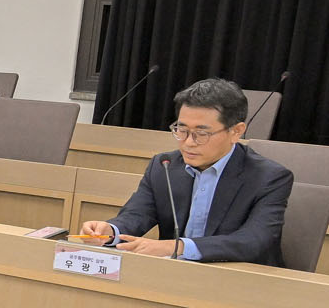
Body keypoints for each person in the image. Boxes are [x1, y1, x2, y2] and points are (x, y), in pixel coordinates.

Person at [79, 77, 293, 264]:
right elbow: (137, 215)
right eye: (181, 130)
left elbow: (253, 241)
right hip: (174, 275)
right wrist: (110, 231)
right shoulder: (164, 166)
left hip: (241, 280)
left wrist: (178, 247)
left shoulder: (269, 177)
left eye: (202, 133)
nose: (188, 142)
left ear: (236, 131)